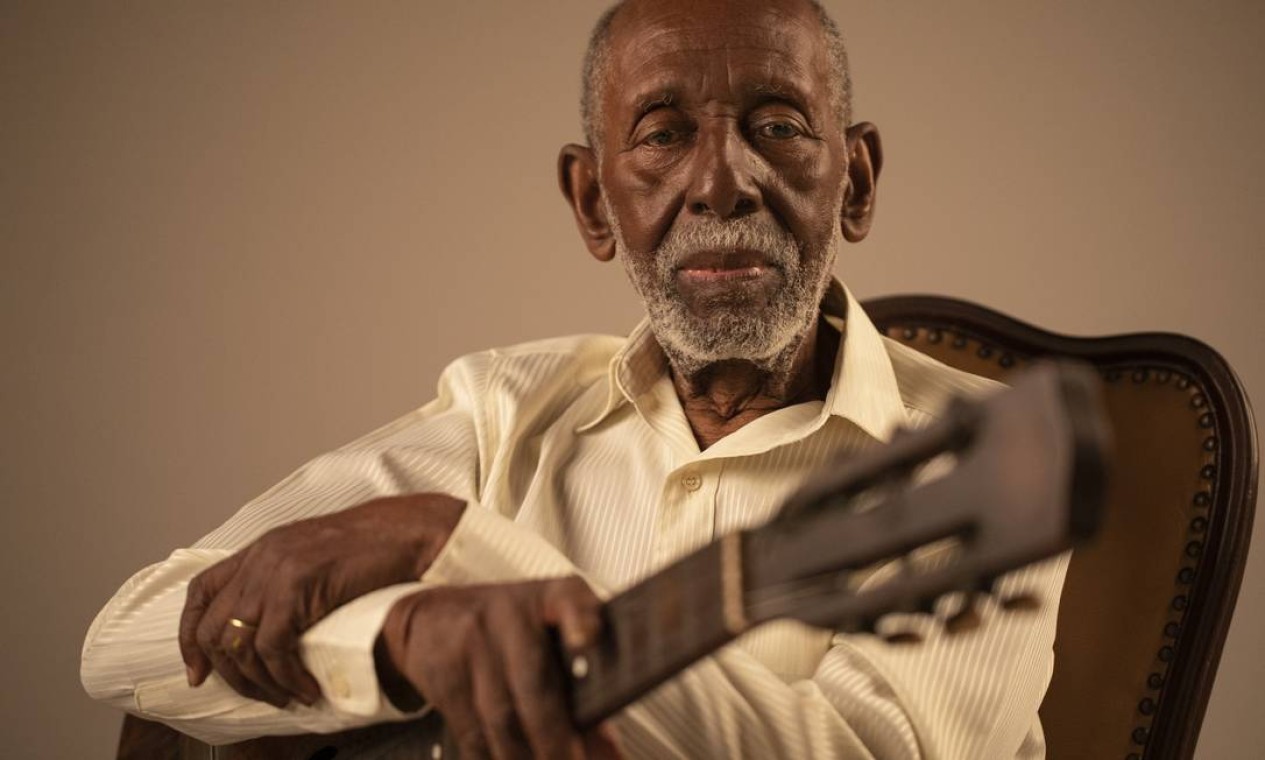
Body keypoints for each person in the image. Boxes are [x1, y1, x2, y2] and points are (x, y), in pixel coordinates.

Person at [82, 0, 1067, 757]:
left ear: (852, 182)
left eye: (775, 124)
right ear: (593, 201)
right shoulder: (503, 406)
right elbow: (126, 640)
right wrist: (401, 639)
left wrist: (450, 545)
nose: (720, 180)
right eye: (661, 134)